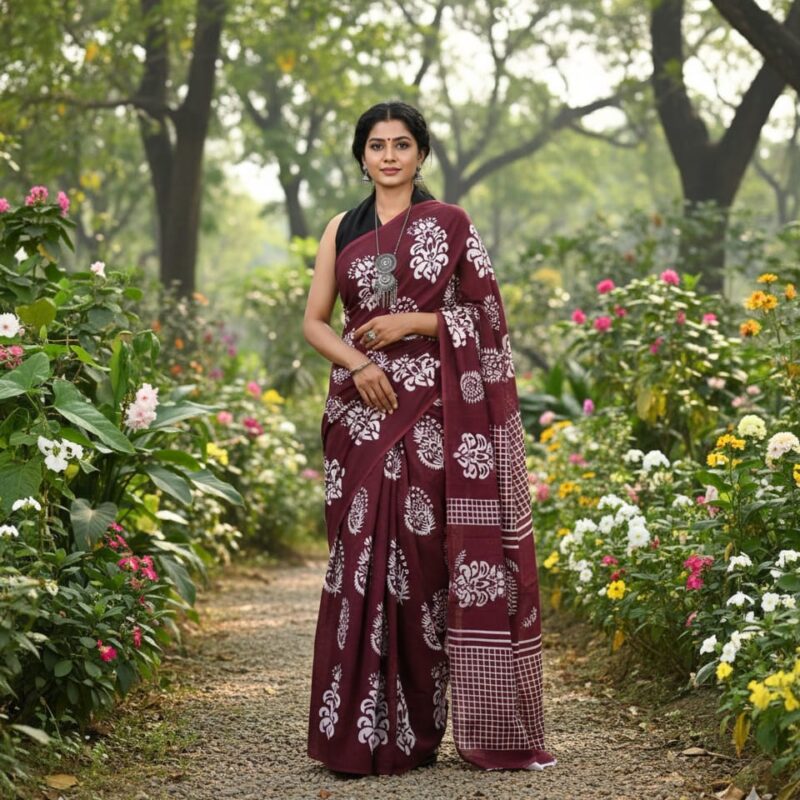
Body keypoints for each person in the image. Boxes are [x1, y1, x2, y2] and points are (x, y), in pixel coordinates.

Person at [303, 101, 556, 776]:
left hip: (434, 413)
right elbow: (315, 322)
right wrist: (358, 364)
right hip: (361, 413)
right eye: (378, 145)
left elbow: (487, 317)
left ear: (421, 154)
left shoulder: (451, 226)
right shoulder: (340, 228)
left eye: (402, 144)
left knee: (420, 567)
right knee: (357, 562)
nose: (389, 155)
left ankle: (416, 732)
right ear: (361, 156)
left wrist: (415, 322)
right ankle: (351, 733)